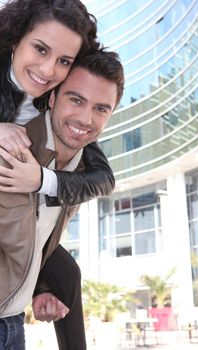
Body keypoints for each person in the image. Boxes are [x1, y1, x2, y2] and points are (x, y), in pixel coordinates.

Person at [0, 1, 115, 349]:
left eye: (64, 61)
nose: (48, 69)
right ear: (16, 39)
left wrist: (42, 181)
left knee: (66, 275)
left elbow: (103, 177)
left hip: (11, 318)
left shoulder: (55, 98)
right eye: (40, 49)